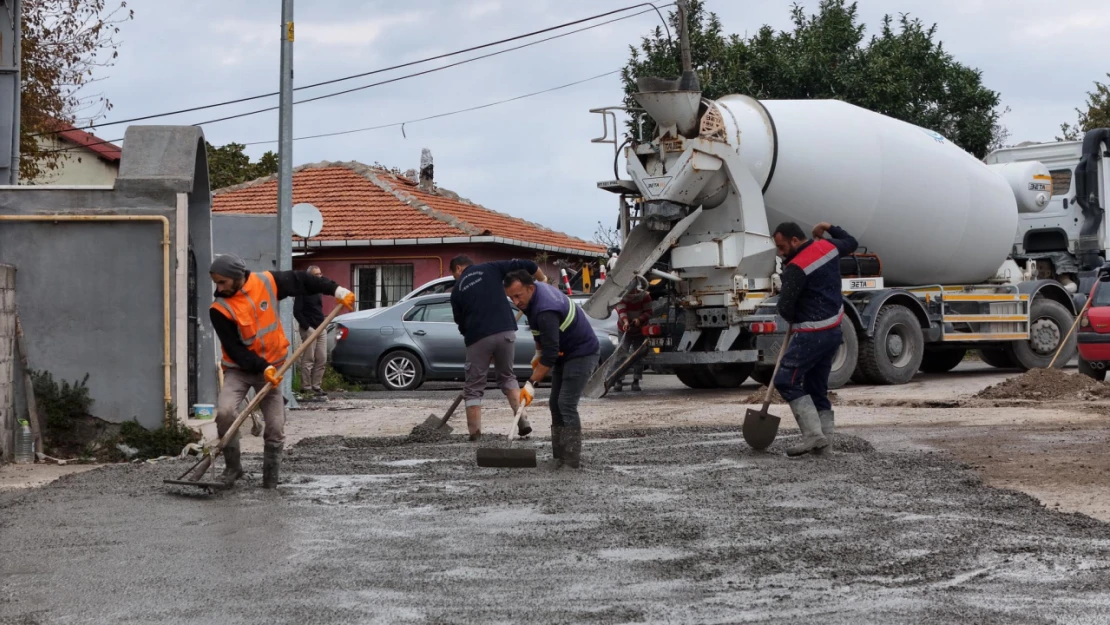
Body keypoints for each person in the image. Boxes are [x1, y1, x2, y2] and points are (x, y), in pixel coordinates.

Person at [209, 254, 354, 488]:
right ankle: (233, 468)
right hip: (239, 369)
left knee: (275, 426)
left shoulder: (265, 282)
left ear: (237, 277)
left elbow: (303, 281)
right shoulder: (220, 308)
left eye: (223, 282)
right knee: (225, 412)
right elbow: (235, 350)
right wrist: (261, 367)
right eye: (216, 282)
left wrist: (337, 291)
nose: (219, 287)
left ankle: (270, 480)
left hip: (275, 368)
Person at [771, 221, 858, 456]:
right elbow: (852, 242)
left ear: (795, 241)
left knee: (784, 380)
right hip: (834, 331)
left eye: (781, 247)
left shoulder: (796, 268)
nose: (780, 252)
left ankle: (813, 436)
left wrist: (794, 316)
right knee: (815, 387)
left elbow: (785, 307)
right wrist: (829, 227)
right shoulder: (828, 247)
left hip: (811, 333)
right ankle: (825, 444)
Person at [504, 270, 600, 469]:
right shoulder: (532, 297)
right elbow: (540, 334)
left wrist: (531, 383)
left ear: (530, 288)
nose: (515, 302)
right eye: (511, 297)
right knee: (554, 403)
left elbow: (551, 354)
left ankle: (571, 460)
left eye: (517, 296)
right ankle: (559, 456)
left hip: (582, 353)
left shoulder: (545, 308)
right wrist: (537, 353)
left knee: (566, 403)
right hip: (564, 353)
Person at [449, 255, 548, 441]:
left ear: (459, 269)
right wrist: (543, 280)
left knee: (473, 388)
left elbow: (460, 323)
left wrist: (479, 345)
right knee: (507, 377)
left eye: (455, 274)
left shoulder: (457, 290)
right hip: (506, 331)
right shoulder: (492, 267)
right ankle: (523, 421)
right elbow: (526, 263)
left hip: (477, 337)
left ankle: (475, 434)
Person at [294, 265, 329, 399]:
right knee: (308, 359)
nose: (320, 277)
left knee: (321, 358)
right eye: (316, 275)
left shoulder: (319, 289)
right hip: (309, 329)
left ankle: (316, 386)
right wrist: (307, 327)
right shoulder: (302, 291)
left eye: (320, 274)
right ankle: (306, 387)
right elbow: (297, 311)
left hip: (321, 328)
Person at [613, 282, 652, 392]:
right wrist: (626, 322)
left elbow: (649, 312)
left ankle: (636, 381)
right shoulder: (622, 296)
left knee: (638, 355)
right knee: (621, 353)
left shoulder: (645, 296)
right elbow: (622, 311)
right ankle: (618, 380)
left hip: (640, 330)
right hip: (624, 329)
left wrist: (640, 319)